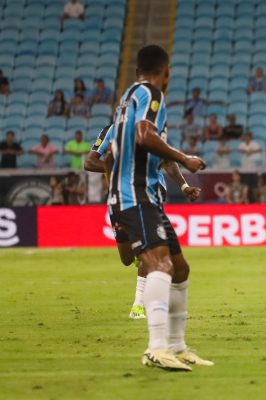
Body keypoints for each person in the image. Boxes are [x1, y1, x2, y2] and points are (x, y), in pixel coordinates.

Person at [106, 44, 210, 371]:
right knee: (160, 265)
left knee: (180, 269)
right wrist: (185, 159)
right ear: (166, 72)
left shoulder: (127, 98)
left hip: (140, 195)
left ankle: (177, 347)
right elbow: (143, 135)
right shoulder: (152, 95)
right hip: (135, 195)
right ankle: (157, 348)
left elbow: (111, 154)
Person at [85, 122, 206, 322]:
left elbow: (168, 161)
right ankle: (140, 255)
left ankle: (138, 305)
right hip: (120, 197)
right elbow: (89, 162)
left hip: (151, 193)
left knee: (149, 249)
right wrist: (117, 169)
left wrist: (184, 186)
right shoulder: (111, 130)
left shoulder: (152, 131)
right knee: (126, 258)